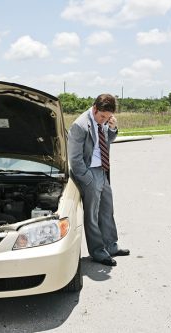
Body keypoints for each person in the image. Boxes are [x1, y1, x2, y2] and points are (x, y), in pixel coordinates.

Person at [67, 93, 130, 266]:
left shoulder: (103, 121)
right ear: (94, 108)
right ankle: (97, 251)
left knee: (107, 210)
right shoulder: (79, 126)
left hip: (102, 171)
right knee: (92, 215)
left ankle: (111, 246)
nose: (104, 120)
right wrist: (88, 180)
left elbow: (106, 141)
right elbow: (75, 159)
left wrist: (112, 128)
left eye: (108, 117)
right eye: (102, 116)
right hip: (89, 173)